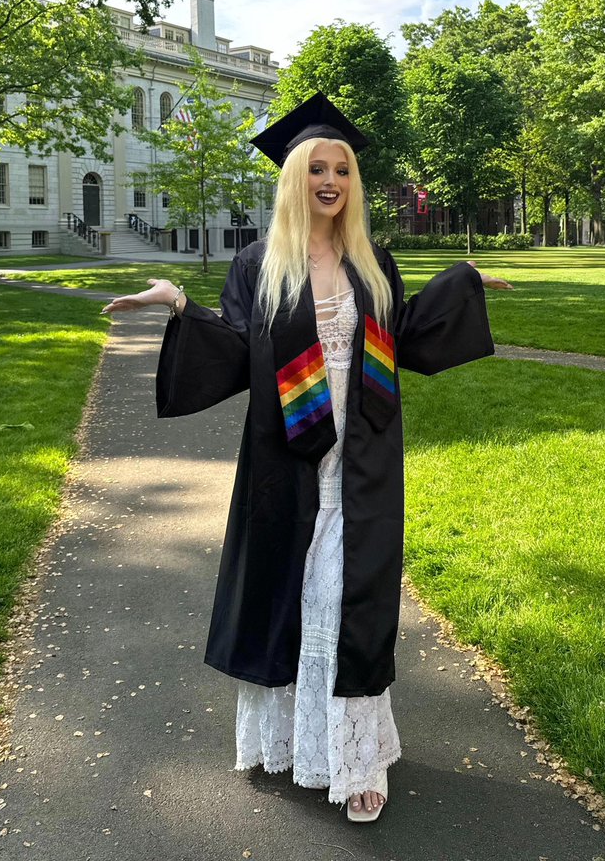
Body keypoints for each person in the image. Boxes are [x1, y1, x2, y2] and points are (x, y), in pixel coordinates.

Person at [101, 93, 512, 822]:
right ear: (293, 179)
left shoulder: (370, 259)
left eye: (342, 169)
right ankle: (295, 743)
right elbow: (232, 350)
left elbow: (406, 334)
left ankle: (355, 762)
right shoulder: (260, 263)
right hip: (285, 456)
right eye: (316, 168)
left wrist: (463, 281)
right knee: (289, 594)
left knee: (345, 600)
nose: (330, 180)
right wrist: (178, 307)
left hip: (364, 452)